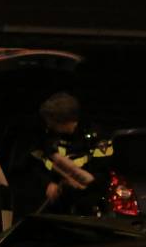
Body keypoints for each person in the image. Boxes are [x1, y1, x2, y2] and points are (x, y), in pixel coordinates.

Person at [8, 92, 113, 221]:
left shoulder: (97, 138)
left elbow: (102, 174)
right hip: (52, 206)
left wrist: (82, 183)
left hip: (86, 208)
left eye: (52, 122)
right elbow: (32, 164)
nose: (49, 125)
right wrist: (47, 184)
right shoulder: (44, 136)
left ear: (68, 122)